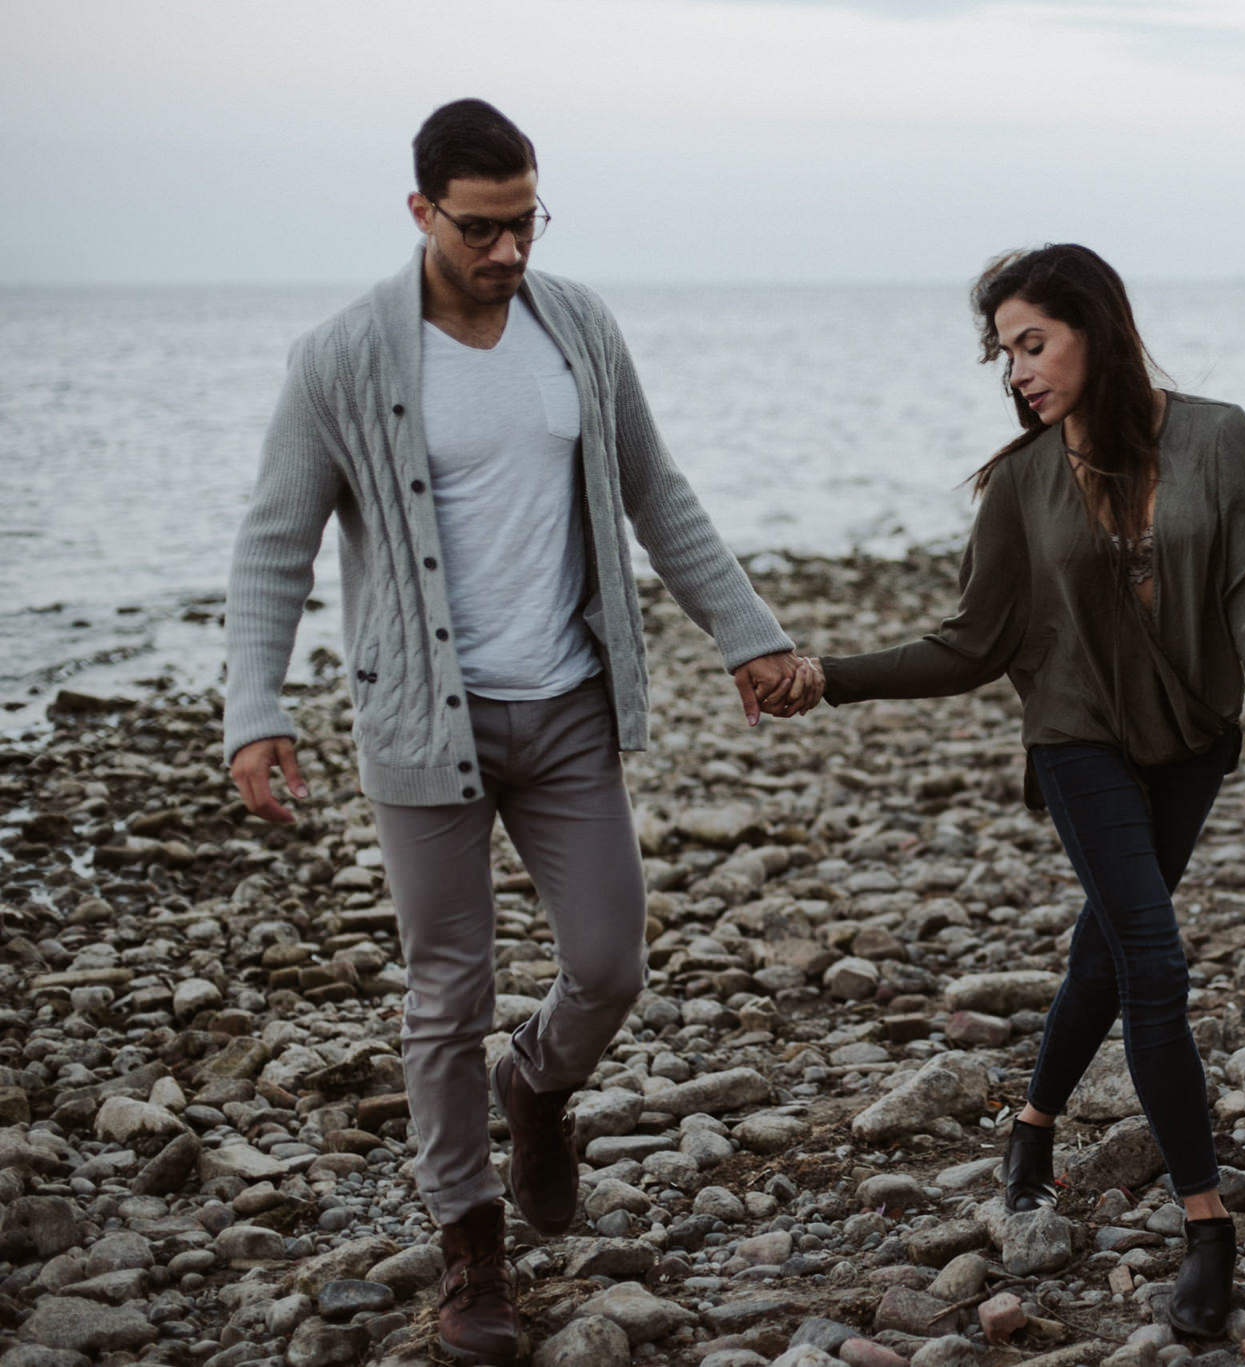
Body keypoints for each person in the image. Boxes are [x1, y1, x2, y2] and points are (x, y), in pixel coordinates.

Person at [223, 98, 808, 1366]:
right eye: (482, 228)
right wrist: (254, 710)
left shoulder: (577, 325)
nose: (507, 252)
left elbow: (654, 488)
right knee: (448, 988)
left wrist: (746, 631)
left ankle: (535, 1085)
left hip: (566, 703)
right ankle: (469, 1246)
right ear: (422, 209)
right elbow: (275, 542)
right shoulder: (343, 358)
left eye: (526, 221)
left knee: (609, 962)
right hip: (420, 720)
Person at [805, 243, 1245, 1339]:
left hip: (1189, 740)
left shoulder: (1217, 437)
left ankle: (1032, 1124)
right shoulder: (1023, 482)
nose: (1017, 372)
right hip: (1076, 737)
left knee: (1106, 942)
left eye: (1032, 343)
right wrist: (826, 678)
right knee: (1152, 958)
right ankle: (1205, 1228)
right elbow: (970, 640)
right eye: (1004, 353)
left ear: (1095, 325)